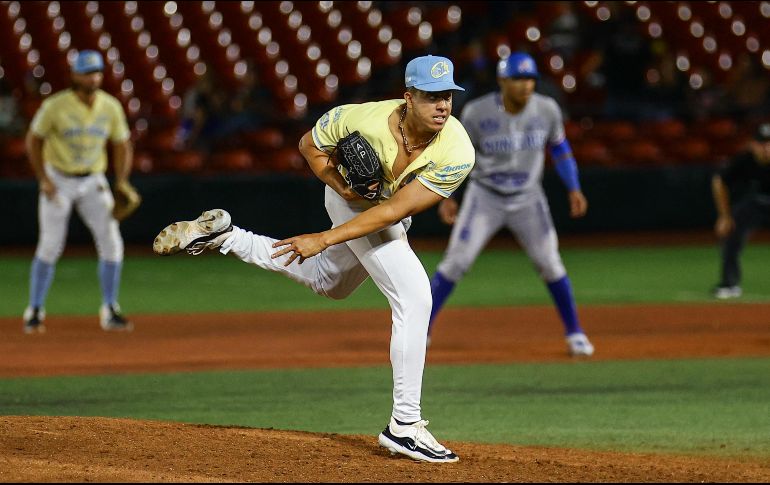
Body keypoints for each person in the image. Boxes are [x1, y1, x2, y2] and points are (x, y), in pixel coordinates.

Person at [153, 55, 475, 463]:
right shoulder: (362, 119)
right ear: (408, 97)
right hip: (351, 203)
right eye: (431, 96)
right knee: (414, 298)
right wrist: (341, 187)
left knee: (330, 283)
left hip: (383, 209)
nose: (442, 105)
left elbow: (394, 212)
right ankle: (405, 426)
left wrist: (324, 239)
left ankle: (226, 237)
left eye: (447, 95)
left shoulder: (457, 149)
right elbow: (309, 144)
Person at [427, 52, 595, 357]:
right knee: (456, 263)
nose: (526, 85)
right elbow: (456, 158)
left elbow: (560, 149)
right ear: (502, 80)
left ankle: (575, 333)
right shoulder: (477, 113)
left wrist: (573, 187)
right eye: (518, 78)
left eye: (530, 78)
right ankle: (420, 330)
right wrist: (449, 197)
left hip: (528, 198)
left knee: (550, 263)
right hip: (485, 195)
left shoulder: (547, 109)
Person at [23, 50, 135, 334]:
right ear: (74, 75)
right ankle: (35, 309)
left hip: (93, 180)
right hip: (58, 179)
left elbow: (122, 143)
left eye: (96, 72)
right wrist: (43, 178)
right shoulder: (55, 106)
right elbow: (34, 140)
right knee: (50, 245)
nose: (93, 77)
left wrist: (121, 180)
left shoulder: (110, 106)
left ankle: (110, 308)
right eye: (87, 72)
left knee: (111, 241)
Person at [711, 123, 770, 299]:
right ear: (753, 144)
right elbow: (719, 182)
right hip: (754, 204)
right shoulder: (744, 160)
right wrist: (724, 216)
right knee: (731, 232)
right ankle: (729, 284)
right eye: (762, 143)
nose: (767, 147)